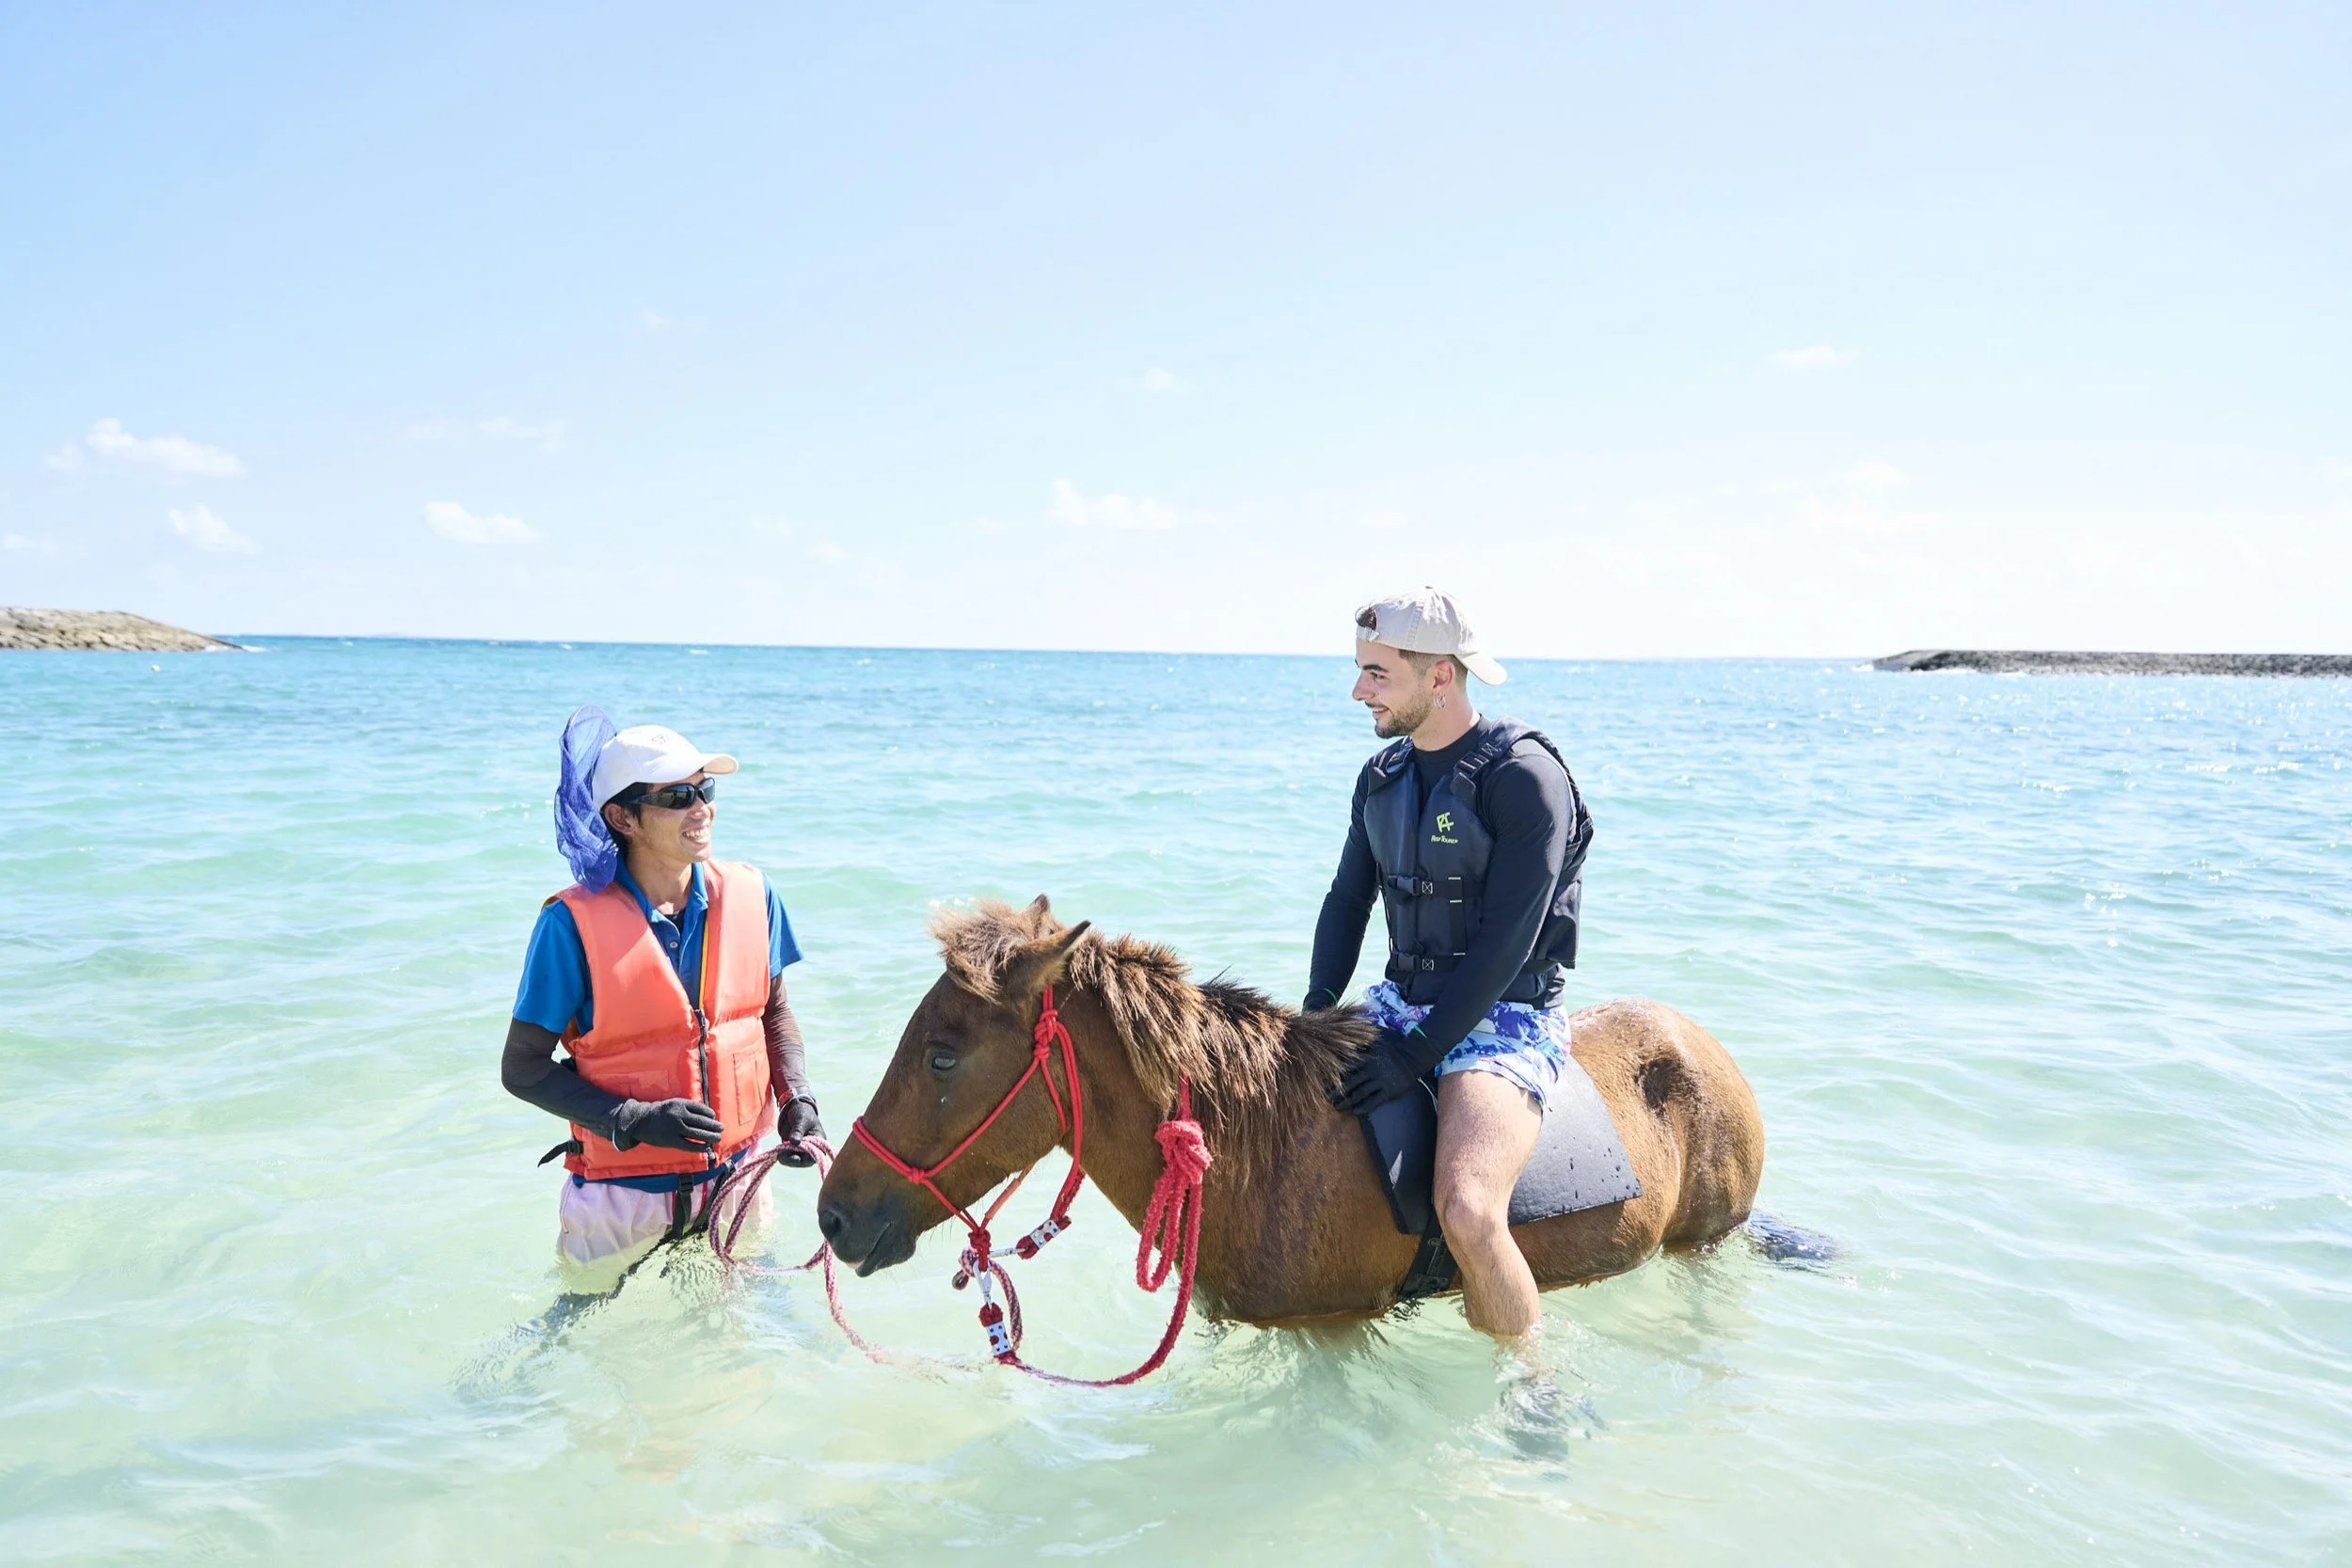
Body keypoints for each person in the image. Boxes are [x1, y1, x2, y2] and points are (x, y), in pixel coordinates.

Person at [1311, 589, 1592, 1340]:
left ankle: (1533, 1382)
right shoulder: (1380, 778)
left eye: (1377, 673)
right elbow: (1347, 903)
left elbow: (1507, 941)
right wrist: (1315, 1014)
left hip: (1505, 1018)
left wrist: (1416, 1057)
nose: (1357, 690)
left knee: (1467, 1207)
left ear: (1440, 677)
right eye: (1360, 670)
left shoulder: (1526, 778)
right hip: (1398, 1004)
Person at [502, 711, 826, 1271]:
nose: (701, 807)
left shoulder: (754, 894)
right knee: (586, 1343)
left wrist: (799, 1099)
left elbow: (773, 1012)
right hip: (622, 1199)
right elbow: (522, 1068)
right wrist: (630, 1119)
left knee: (741, 1343)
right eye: (677, 795)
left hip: (737, 1182)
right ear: (622, 818)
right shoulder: (568, 926)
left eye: (706, 789)